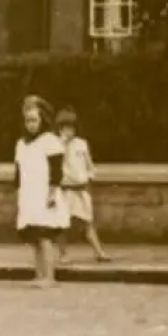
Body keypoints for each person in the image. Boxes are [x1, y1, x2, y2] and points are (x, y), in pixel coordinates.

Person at [13, 94, 69, 286]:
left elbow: (56, 171)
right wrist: (18, 194)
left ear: (41, 120)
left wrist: (52, 194)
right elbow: (18, 173)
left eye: (35, 120)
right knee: (34, 238)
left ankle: (50, 276)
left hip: (44, 195)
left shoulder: (50, 141)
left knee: (45, 237)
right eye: (28, 121)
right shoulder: (21, 144)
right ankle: (38, 274)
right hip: (29, 196)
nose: (31, 124)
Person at [54, 107, 110, 264]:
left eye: (71, 128)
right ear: (59, 129)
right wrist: (62, 144)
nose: (69, 131)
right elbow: (54, 164)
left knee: (88, 222)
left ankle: (99, 252)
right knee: (62, 224)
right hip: (65, 190)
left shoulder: (82, 144)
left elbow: (89, 164)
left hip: (81, 188)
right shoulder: (56, 145)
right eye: (65, 128)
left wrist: (90, 176)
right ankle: (63, 253)